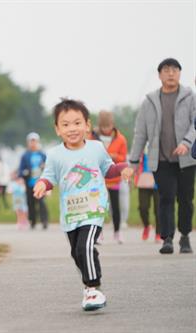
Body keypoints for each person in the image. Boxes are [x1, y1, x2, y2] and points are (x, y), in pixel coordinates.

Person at [33, 99, 133, 311]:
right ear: (57, 129)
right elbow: (49, 176)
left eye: (77, 123)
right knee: (77, 252)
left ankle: (93, 288)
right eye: (66, 124)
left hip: (94, 209)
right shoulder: (54, 154)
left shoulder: (96, 148)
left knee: (85, 246)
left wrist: (123, 167)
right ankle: (90, 284)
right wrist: (42, 184)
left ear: (88, 125)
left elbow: (109, 169)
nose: (72, 129)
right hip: (70, 213)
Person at [129, 58, 196, 254]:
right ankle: (167, 238)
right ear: (159, 75)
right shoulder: (149, 101)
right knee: (165, 198)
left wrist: (186, 142)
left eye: (175, 70)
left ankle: (184, 236)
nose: (171, 73)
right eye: (166, 70)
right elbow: (140, 133)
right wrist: (133, 163)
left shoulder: (190, 97)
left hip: (187, 160)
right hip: (161, 159)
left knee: (185, 199)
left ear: (180, 73)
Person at [95, 111, 128, 243]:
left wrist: (115, 156)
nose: (106, 129)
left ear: (113, 125)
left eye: (108, 126)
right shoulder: (93, 137)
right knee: (98, 207)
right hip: (98, 179)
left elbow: (123, 158)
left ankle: (117, 232)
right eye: (103, 127)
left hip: (114, 178)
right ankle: (98, 233)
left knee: (115, 207)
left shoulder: (121, 139)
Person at [18, 132, 48, 229]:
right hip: (29, 183)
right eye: (31, 141)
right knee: (30, 203)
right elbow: (21, 170)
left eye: (34, 141)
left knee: (41, 202)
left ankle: (44, 221)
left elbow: (48, 168)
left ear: (37, 142)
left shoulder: (42, 155)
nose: (33, 143)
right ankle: (33, 221)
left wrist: (44, 167)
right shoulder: (25, 155)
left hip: (40, 183)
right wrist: (24, 174)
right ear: (28, 143)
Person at [135, 151, 161, 242]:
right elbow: (135, 160)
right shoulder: (142, 144)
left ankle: (158, 232)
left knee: (158, 209)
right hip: (144, 179)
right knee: (143, 207)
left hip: (158, 180)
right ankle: (146, 225)